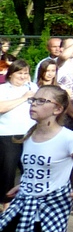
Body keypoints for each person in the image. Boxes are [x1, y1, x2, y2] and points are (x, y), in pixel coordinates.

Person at [0, 85, 73, 232]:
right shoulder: (29, 135)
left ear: (57, 109)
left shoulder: (68, 138)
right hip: (24, 201)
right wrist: (24, 184)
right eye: (33, 100)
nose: (33, 104)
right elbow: (35, 168)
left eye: (41, 101)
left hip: (51, 206)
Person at [0, 60, 37, 206]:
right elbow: (1, 108)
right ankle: (6, 203)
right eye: (19, 73)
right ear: (11, 74)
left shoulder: (33, 87)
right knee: (7, 170)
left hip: (30, 135)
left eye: (25, 73)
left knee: (29, 169)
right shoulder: (3, 89)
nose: (23, 76)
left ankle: (27, 201)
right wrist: (23, 98)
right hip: (8, 134)